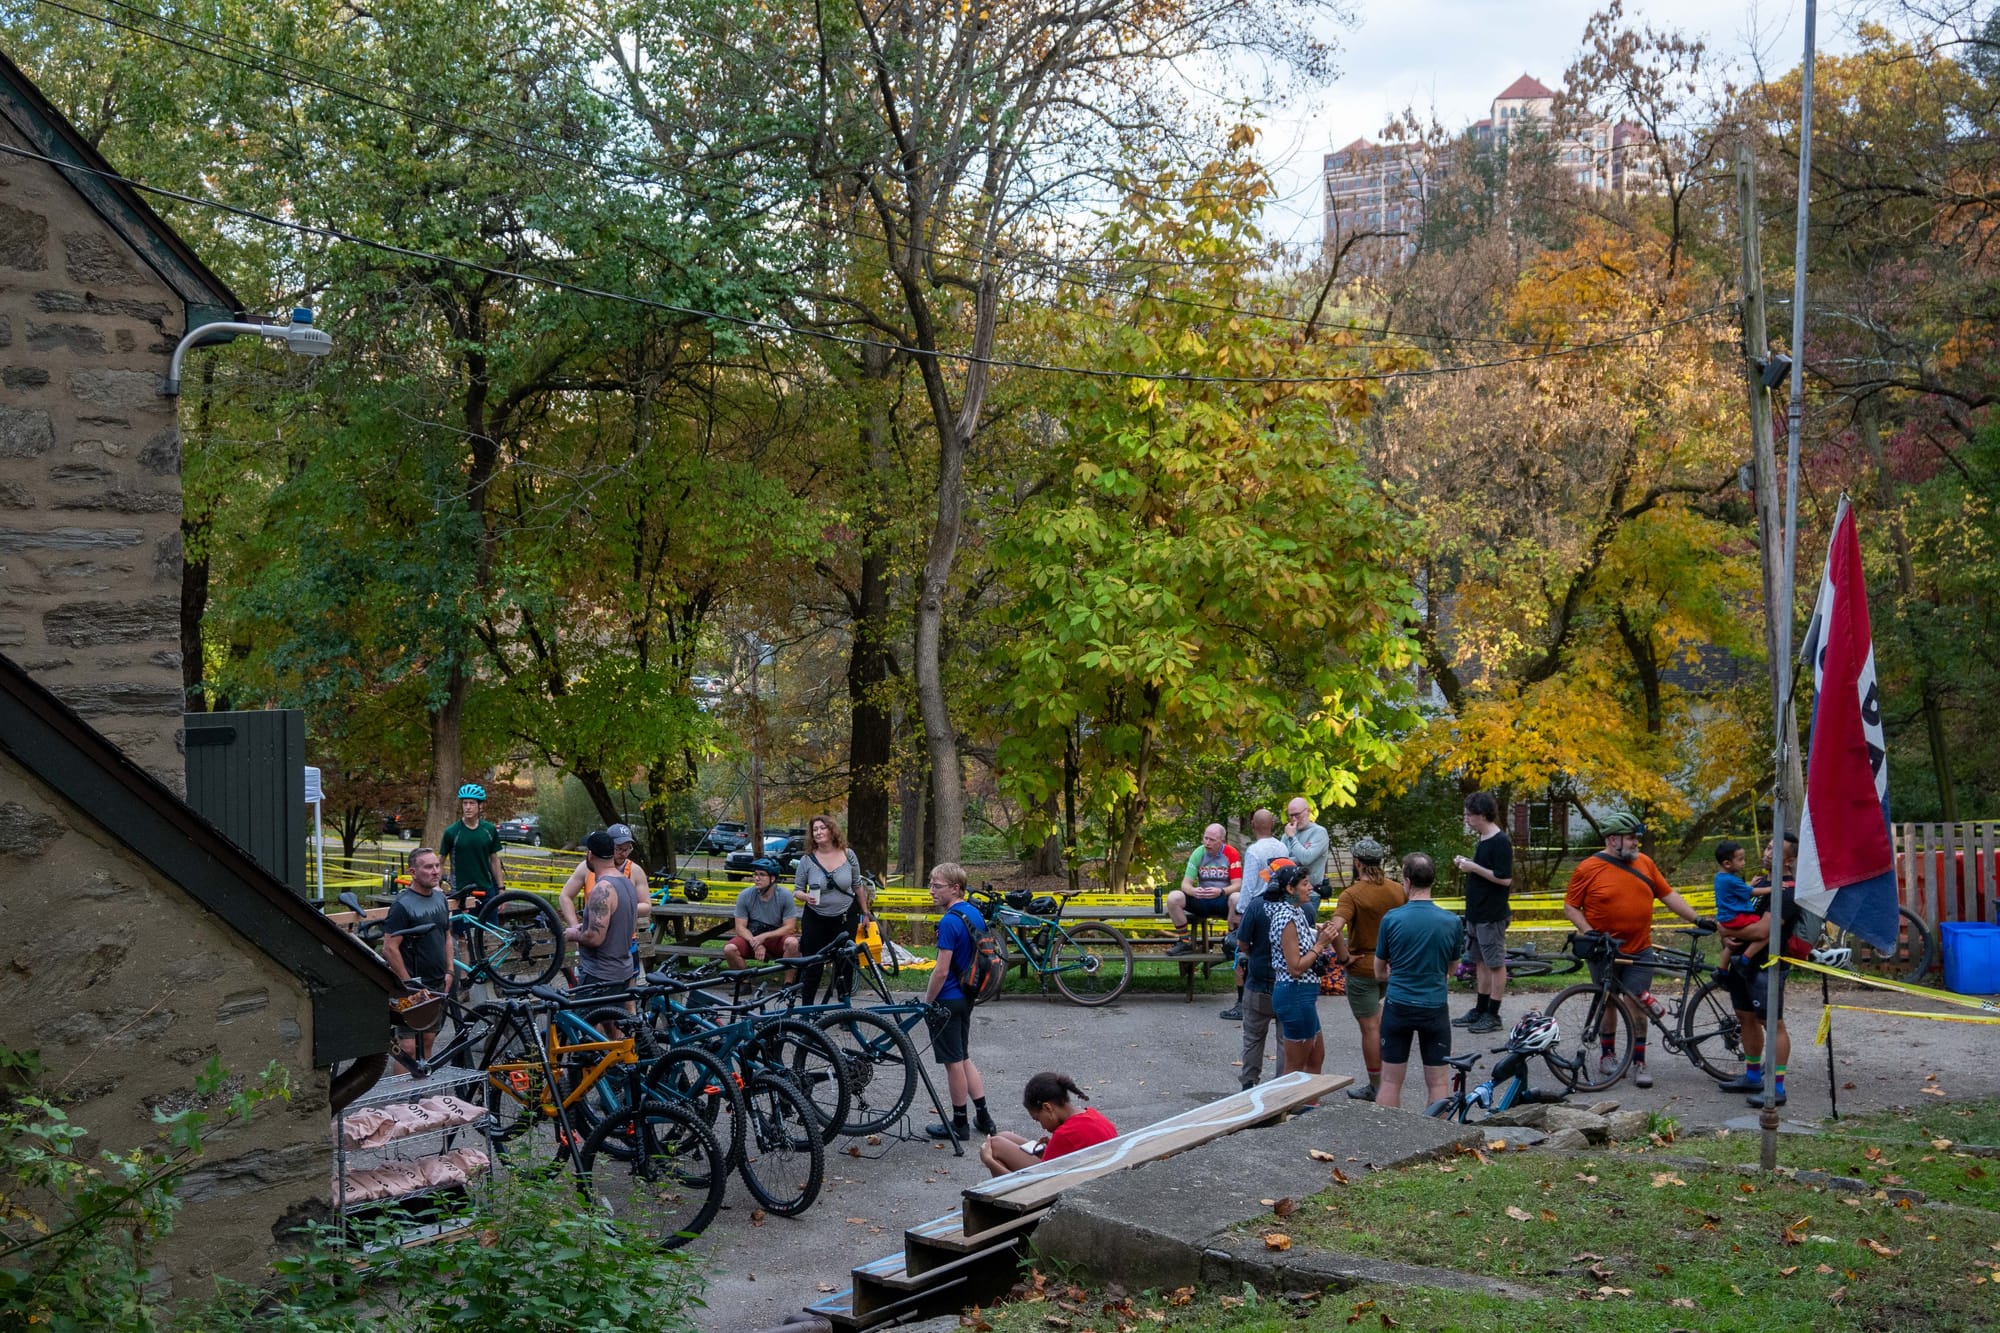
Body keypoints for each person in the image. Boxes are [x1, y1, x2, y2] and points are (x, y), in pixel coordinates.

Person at [1562, 812, 1712, 1089]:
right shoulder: (1588, 868)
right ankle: (1608, 1055)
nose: (1636, 844)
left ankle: (1638, 1060)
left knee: (1636, 1003)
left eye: (1635, 838)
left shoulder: (1645, 864)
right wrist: (1588, 931)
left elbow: (1668, 895)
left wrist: (1697, 919)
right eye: (1631, 838)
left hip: (1639, 950)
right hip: (1604, 950)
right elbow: (1571, 906)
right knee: (1607, 1001)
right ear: (1612, 839)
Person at [1714, 834, 1801, 1107]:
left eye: (1776, 850)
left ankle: (1776, 1088)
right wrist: (1726, 937)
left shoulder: (1787, 891)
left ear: (1790, 859)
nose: (1767, 853)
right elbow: (1735, 918)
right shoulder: (1759, 883)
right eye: (1768, 846)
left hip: (1767, 965)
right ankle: (1753, 1076)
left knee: (1772, 1023)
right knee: (1745, 1018)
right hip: (1741, 963)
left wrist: (1726, 929)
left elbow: (1763, 930)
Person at [1374, 854, 1465, 1111]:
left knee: (1390, 1080)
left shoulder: (1391, 919)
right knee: (1437, 1082)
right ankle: (1437, 1143)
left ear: (1407, 880)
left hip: (1398, 1003)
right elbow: (1452, 969)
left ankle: (1387, 1135)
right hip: (1434, 1006)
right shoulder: (1452, 921)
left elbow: (1379, 972)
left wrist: (1395, 973)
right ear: (1432, 880)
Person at [922, 862, 996, 1140]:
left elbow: (941, 970)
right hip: (967, 995)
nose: (931, 890)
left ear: (955, 888)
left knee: (953, 1063)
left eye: (937, 885)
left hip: (948, 999)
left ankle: (959, 1123)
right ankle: (984, 1117)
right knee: (964, 1057)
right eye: (931, 884)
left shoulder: (950, 922)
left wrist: (928, 1001)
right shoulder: (973, 913)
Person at [1328, 837, 1406, 1101]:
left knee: (1370, 1027)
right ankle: (1390, 1079)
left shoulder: (1351, 894)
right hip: (1393, 967)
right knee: (1380, 1019)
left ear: (1357, 862)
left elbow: (1333, 929)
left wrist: (1343, 957)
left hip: (1362, 968)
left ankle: (1376, 1085)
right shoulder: (1398, 890)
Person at [1268, 862, 1339, 1096]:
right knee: (1294, 1067)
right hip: (1294, 992)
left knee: (1316, 1054)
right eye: (1305, 884)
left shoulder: (1298, 912)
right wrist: (1321, 944)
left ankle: (1309, 1105)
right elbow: (1296, 967)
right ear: (1290, 889)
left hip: (1304, 995)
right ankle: (1288, 1110)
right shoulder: (1285, 917)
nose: (1311, 888)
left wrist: (1318, 939)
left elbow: (1306, 952)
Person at [382, 847, 454, 1065]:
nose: (435, 871)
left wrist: (450, 970)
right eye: (428, 867)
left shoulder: (441, 899)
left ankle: (421, 1097)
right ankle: (403, 1100)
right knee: (408, 1048)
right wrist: (408, 984)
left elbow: (447, 935)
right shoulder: (402, 905)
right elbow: (390, 947)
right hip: (412, 987)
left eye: (437, 866)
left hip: (437, 982)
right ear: (413, 872)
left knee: (428, 1041)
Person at [1451, 792, 1515, 1035]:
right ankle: (1480, 1008)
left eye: (1469, 815)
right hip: (1476, 914)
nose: (1466, 819)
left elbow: (1504, 878)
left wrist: (1474, 867)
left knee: (1495, 963)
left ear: (1482, 815)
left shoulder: (1500, 842)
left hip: (1491, 914)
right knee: (1479, 961)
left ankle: (1493, 1013)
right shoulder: (1484, 839)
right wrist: (1469, 864)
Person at [557, 823, 654, 978]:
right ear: (609, 846)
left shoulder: (634, 871)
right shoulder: (587, 867)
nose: (623, 853)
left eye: (627, 848)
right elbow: (565, 896)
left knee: (626, 994)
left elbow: (647, 906)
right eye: (619, 848)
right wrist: (575, 926)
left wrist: (617, 907)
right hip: (594, 939)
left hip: (624, 942)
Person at [978, 1072, 1119, 1177]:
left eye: (1038, 1119)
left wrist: (990, 1162)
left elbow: (1036, 1185)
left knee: (995, 1145)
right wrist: (1051, 1147)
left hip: (1065, 1187)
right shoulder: (1092, 1115)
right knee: (1005, 1136)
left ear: (1047, 1108)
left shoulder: (1065, 1134)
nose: (1042, 1127)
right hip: (1098, 1174)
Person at [1222, 812, 1290, 1021]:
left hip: (1257, 908)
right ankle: (1274, 1001)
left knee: (1242, 954)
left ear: (1252, 825)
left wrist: (1239, 913)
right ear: (1273, 825)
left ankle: (1243, 1003)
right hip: (1279, 906)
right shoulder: (1282, 847)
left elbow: (1249, 886)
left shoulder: (1253, 851)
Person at [795, 814, 870, 1001]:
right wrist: (805, 896)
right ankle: (807, 1010)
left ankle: (845, 1009)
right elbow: (796, 890)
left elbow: (857, 885)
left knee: (845, 963)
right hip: (815, 918)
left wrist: (866, 914)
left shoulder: (848, 854)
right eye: (815, 830)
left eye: (822, 828)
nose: (818, 832)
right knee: (813, 963)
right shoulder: (807, 860)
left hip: (845, 917)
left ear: (832, 830)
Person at [564, 831, 640, 1001]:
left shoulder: (603, 888)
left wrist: (573, 934)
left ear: (590, 855)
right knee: (612, 1023)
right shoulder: (626, 882)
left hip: (600, 976)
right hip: (623, 970)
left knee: (579, 1024)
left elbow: (594, 938)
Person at [1232, 858, 1283, 1089]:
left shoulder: (1255, 905)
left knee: (1253, 1037)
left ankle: (1249, 1083)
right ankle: (1284, 1084)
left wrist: (1254, 952)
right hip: (1288, 984)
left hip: (1258, 981)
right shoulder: (1303, 907)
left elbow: (1242, 943)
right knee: (1285, 1040)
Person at [1167, 823, 1241, 956]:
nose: (1207, 843)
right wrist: (1193, 891)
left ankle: (1230, 940)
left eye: (1212, 840)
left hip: (1223, 900)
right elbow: (1185, 884)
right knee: (1173, 897)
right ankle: (1184, 941)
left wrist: (1221, 891)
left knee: (1237, 898)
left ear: (1222, 841)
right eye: (1205, 838)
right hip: (1202, 900)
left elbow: (1238, 884)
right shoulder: (1199, 852)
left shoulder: (1231, 853)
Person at [725, 857, 802, 971]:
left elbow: (789, 928)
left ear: (773, 878)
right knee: (729, 949)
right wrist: (756, 943)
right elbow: (740, 928)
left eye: (762, 874)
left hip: (776, 938)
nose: (757, 878)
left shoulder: (785, 895)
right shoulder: (745, 895)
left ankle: (788, 984)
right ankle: (744, 983)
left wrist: (764, 936)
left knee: (793, 943)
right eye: (755, 874)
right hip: (752, 937)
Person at [438, 783, 505, 908]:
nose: (468, 807)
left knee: (490, 927)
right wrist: (437, 886)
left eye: (472, 803)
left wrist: (501, 889)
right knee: (462, 927)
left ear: (480, 806)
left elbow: (494, 860)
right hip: (461, 892)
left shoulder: (489, 830)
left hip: (486, 890)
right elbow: (440, 861)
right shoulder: (452, 832)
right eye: (465, 803)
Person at [1283, 798, 1330, 894]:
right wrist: (1298, 857)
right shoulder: (1287, 834)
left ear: (1308, 811)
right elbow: (1280, 862)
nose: (1294, 819)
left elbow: (1306, 859)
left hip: (1310, 893)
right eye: (1291, 816)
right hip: (1288, 891)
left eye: (1297, 814)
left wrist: (1292, 837)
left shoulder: (1319, 832)